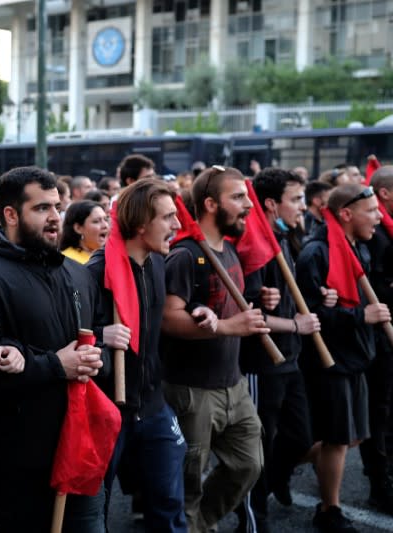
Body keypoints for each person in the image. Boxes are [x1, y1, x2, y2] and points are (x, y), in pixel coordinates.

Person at [0, 166, 108, 532]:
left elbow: (92, 335)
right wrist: (56, 366)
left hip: (79, 453)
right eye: (41, 209)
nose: (55, 217)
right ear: (10, 214)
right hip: (18, 467)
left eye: (57, 206)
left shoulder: (77, 273)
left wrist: (93, 355)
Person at [161, 166, 266, 533]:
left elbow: (226, 306)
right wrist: (224, 327)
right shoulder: (185, 255)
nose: (248, 205)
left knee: (248, 464)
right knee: (187, 483)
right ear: (209, 204)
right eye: (238, 197)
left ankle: (200, 523)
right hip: (192, 391)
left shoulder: (230, 250)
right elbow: (168, 318)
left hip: (233, 386)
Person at [87, 179, 187, 532]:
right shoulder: (98, 271)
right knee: (94, 510)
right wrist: (101, 336)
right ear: (141, 224)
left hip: (152, 405)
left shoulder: (158, 262)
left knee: (170, 505)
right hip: (108, 411)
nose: (177, 225)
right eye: (168, 217)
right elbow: (68, 335)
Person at [296, 182, 388, 531]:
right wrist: (360, 316)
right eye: (372, 211)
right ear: (346, 214)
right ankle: (328, 509)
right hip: (331, 360)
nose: (378, 218)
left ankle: (283, 461)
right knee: (337, 437)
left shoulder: (357, 248)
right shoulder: (316, 253)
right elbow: (310, 316)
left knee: (352, 436)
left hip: (357, 356)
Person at [237, 169, 322, 532]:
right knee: (258, 442)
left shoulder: (286, 238)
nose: (303, 207)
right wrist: (294, 325)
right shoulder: (255, 241)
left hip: (292, 358)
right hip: (263, 362)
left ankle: (274, 481)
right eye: (296, 199)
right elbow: (249, 312)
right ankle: (254, 516)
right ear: (271, 204)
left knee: (301, 436)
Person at [363, 165, 393, 515]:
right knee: (380, 412)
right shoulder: (377, 235)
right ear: (384, 193)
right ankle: (378, 482)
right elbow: (370, 285)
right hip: (378, 340)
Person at [60, 200, 110, 265]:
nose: (105, 225)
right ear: (78, 228)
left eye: (106, 219)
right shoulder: (67, 260)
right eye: (96, 221)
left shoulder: (108, 254)